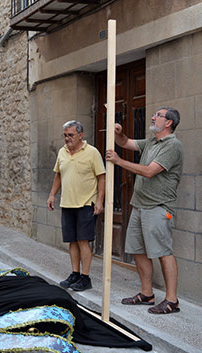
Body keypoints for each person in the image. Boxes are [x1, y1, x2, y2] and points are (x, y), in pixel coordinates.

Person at [105, 107, 183, 315]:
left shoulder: (173, 145)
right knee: (138, 250)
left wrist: (119, 162)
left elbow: (149, 172)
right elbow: (124, 142)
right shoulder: (151, 142)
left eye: (158, 115)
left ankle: (172, 300)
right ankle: (147, 294)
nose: (153, 117)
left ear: (168, 123)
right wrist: (119, 132)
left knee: (163, 252)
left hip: (158, 207)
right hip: (139, 206)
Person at [47, 120, 105, 292]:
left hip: (86, 202)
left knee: (83, 240)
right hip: (67, 202)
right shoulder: (62, 152)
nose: (67, 139)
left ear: (81, 135)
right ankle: (75, 273)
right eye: (65, 135)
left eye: (70, 135)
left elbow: (101, 177)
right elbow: (58, 175)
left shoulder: (92, 152)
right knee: (72, 240)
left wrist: (100, 201)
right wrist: (52, 195)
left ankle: (85, 278)